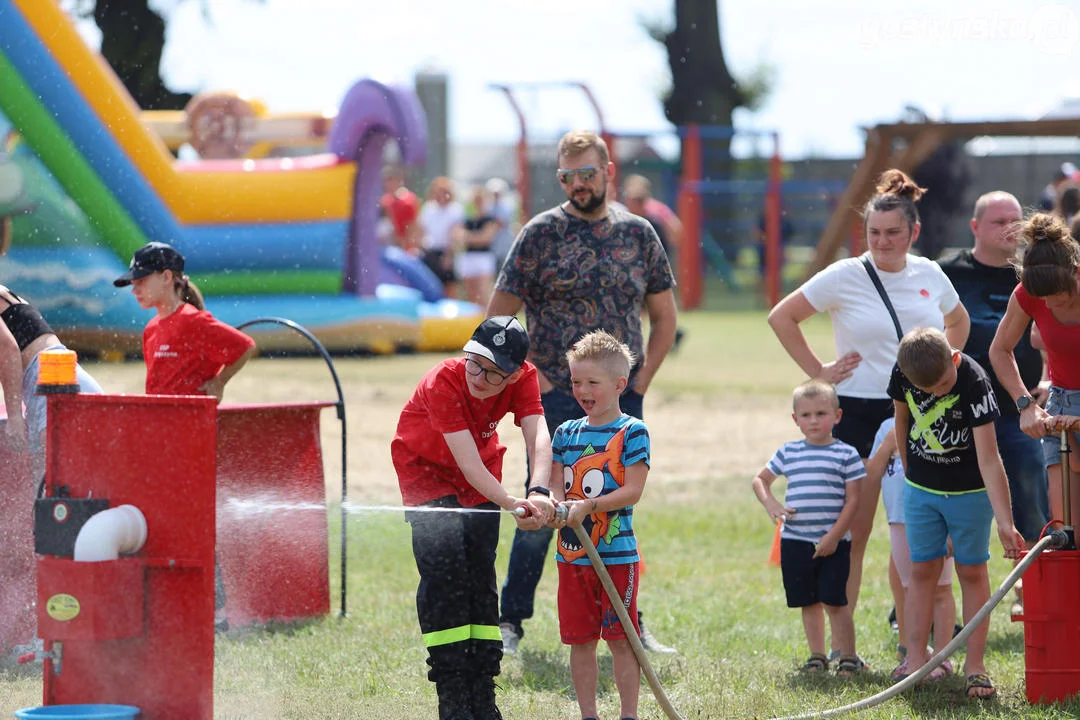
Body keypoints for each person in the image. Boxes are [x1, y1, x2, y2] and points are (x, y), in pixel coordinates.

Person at [767, 169, 970, 665]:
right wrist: (821, 372)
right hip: (856, 412)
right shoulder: (844, 275)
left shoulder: (929, 274)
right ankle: (845, 649)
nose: (882, 242)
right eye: (874, 233)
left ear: (913, 233)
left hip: (919, 415)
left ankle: (914, 645)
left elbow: (958, 322)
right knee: (851, 539)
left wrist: (947, 370)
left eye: (893, 233)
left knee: (912, 537)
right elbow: (782, 316)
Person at [489, 130, 678, 656]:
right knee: (541, 502)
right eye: (568, 176)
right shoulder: (539, 234)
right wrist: (541, 379)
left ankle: (627, 622)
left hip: (621, 397)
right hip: (554, 395)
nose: (578, 184)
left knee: (613, 509)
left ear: (608, 170)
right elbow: (499, 316)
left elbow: (664, 318)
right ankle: (512, 622)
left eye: (588, 174)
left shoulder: (639, 234)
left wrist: (639, 382)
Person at [391, 316, 554, 720]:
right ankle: (453, 697)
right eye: (475, 362)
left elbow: (538, 435)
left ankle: (483, 692)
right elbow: (466, 463)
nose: (479, 377)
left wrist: (538, 491)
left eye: (495, 373)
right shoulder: (442, 381)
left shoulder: (525, 378)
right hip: (427, 476)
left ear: (515, 374)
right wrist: (513, 503)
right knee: (445, 577)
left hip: (480, 479)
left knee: (481, 577)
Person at [889, 327, 1024, 697]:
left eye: (943, 384)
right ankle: (916, 660)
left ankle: (975, 667)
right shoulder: (904, 372)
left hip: (969, 494)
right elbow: (902, 420)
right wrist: (909, 471)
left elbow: (989, 459)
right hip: (921, 492)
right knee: (922, 571)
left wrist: (1005, 522)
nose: (937, 393)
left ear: (954, 359)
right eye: (927, 390)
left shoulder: (975, 382)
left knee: (971, 571)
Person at [938, 192, 1049, 615]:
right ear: (974, 227)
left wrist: (1044, 379)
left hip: (1016, 409)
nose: (1010, 228)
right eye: (999, 220)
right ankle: (926, 602)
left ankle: (1034, 593)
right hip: (955, 413)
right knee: (942, 508)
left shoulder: (1033, 274)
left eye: (1015, 220)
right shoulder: (947, 271)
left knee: (1031, 497)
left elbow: (1049, 328)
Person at [549, 330, 650, 720]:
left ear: (619, 384)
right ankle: (588, 714)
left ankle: (629, 715)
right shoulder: (565, 433)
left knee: (622, 641)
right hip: (572, 558)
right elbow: (556, 485)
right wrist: (552, 506)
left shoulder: (632, 432)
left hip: (617, 557)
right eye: (576, 381)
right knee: (581, 641)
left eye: (592, 382)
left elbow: (633, 491)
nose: (582, 390)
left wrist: (588, 505)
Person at [0, 286, 104, 660]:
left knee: (54, 520)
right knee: (74, 516)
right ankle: (83, 629)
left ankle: (55, 639)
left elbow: (7, 349)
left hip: (51, 387)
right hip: (72, 380)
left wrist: (15, 419)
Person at [751, 380, 864, 676]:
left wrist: (834, 536)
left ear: (837, 416)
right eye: (806, 415)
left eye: (821, 413)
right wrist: (771, 504)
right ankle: (817, 656)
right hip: (795, 541)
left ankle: (848, 656)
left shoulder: (847, 455)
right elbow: (760, 480)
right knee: (809, 601)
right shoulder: (788, 452)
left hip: (833, 542)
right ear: (795, 419)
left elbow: (854, 501)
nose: (814, 420)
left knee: (835, 600)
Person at [990, 213, 1080, 528]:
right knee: (1068, 528)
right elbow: (999, 350)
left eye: (1058, 296)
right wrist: (1025, 405)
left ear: (1075, 273)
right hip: (1060, 410)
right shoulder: (1028, 294)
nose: (1049, 305)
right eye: (1041, 298)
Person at [865, 416, 957, 681]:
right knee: (909, 590)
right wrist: (886, 446)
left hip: (937, 520)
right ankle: (913, 656)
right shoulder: (887, 427)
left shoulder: (944, 421)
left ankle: (943, 657)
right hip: (900, 521)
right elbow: (871, 475)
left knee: (941, 590)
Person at [114, 242, 256, 401]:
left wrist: (219, 382)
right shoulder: (151, 329)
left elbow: (245, 346)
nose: (134, 291)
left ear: (166, 277)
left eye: (141, 281)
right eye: (133, 284)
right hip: (160, 421)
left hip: (192, 422)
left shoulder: (193, 321)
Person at [419, 176, 465, 299]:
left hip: (446, 253)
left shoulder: (455, 209)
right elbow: (422, 230)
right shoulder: (428, 208)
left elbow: (455, 233)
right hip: (430, 252)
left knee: (449, 288)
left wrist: (449, 255)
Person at [457, 185, 500, 306]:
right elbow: (458, 236)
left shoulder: (490, 218)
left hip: (483, 257)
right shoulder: (467, 219)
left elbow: (486, 238)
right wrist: (476, 237)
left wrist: (468, 237)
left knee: (483, 293)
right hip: (469, 256)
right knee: (470, 293)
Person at [378, 165, 422, 254]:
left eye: (390, 180)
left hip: (406, 248)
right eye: (386, 181)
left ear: (398, 181)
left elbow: (413, 226)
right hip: (390, 246)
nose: (387, 184)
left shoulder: (408, 200)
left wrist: (410, 246)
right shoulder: (385, 200)